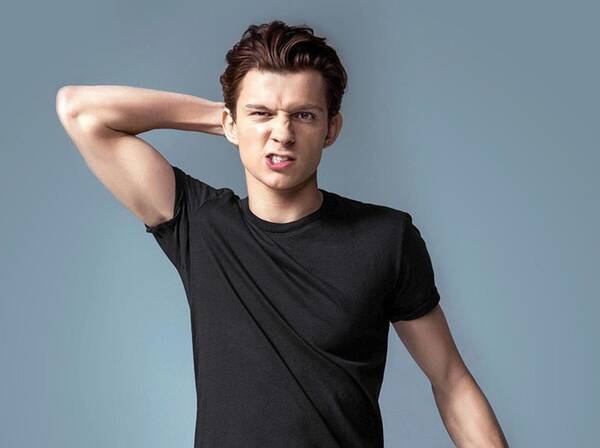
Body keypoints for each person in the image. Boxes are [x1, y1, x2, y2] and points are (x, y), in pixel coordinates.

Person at [56, 19, 508, 448]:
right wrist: (227, 118)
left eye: (303, 115)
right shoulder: (201, 224)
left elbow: (451, 380)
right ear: (231, 124)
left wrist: (248, 118)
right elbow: (79, 110)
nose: (282, 134)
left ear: (331, 128)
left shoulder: (385, 239)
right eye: (262, 114)